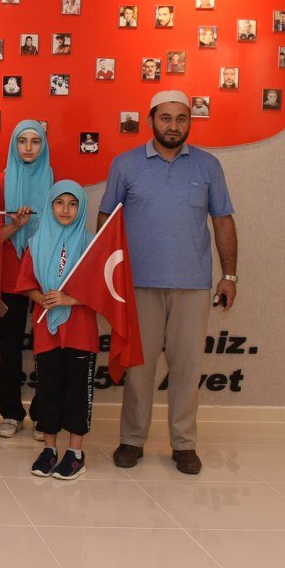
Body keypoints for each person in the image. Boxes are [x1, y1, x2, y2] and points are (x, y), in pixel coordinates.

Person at [100, 90, 237, 475]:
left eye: (181, 118)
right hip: (137, 285)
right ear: (151, 120)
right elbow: (106, 221)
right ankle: (131, 440)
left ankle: (184, 444)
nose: (173, 126)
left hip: (192, 285)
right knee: (139, 369)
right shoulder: (125, 165)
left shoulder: (208, 166)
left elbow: (223, 221)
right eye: (165, 118)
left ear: (189, 122)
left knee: (187, 369)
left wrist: (229, 276)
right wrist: (109, 278)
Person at [12, 180, 100, 480]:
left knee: (77, 392)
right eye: (60, 203)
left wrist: (69, 299)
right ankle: (49, 449)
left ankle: (75, 453)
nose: (65, 209)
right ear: (50, 206)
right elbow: (26, 284)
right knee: (48, 391)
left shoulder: (91, 244)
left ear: (81, 208)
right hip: (47, 331)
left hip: (80, 331)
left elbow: (102, 288)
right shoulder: (36, 243)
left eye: (73, 204)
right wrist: (42, 299)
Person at [0, 121, 51, 439]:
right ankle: (11, 413)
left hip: (43, 277)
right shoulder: (0, 182)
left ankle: (43, 415)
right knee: (10, 349)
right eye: (22, 141)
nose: (28, 147)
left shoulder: (53, 183)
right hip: (10, 278)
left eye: (35, 141)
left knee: (45, 350)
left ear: (43, 146)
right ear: (13, 145)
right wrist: (16, 226)